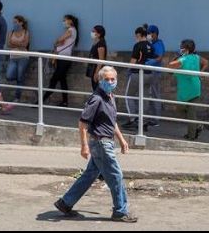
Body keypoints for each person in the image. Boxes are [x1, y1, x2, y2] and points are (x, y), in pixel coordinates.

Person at [53, 66, 137, 223]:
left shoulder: (110, 96)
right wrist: (84, 146)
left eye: (113, 79)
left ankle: (65, 203)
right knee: (116, 176)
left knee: (90, 175)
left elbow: (112, 121)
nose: (110, 82)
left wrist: (121, 138)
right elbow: (82, 123)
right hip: (101, 143)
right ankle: (120, 211)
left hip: (105, 142)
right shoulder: (97, 99)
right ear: (99, 80)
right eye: (107, 79)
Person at [167, 39, 209, 141]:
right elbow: (206, 62)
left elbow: (170, 65)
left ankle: (191, 136)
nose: (180, 48)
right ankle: (197, 126)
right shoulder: (196, 57)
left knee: (191, 113)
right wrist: (200, 73)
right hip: (190, 88)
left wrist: (176, 58)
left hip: (190, 89)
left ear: (186, 49)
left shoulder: (184, 59)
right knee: (183, 110)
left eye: (181, 47)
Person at [122, 27, 154, 130]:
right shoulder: (151, 46)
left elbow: (133, 60)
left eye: (136, 35)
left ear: (139, 35)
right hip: (149, 74)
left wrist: (128, 70)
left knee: (129, 96)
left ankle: (133, 119)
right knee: (144, 98)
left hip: (138, 74)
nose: (135, 37)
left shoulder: (138, 45)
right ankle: (143, 121)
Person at [44, 14, 79, 107]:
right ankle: (65, 102)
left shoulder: (71, 30)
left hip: (64, 59)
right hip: (62, 58)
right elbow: (61, 41)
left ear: (70, 21)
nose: (63, 22)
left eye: (65, 20)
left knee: (54, 79)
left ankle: (41, 100)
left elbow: (59, 40)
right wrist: (59, 41)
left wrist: (57, 41)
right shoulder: (72, 31)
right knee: (62, 80)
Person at [5, 15, 30, 103]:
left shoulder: (26, 32)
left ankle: (17, 97)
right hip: (13, 57)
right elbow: (8, 44)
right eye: (13, 22)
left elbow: (25, 45)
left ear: (21, 23)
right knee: (9, 76)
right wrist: (19, 43)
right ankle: (19, 79)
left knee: (20, 78)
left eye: (16, 22)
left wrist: (14, 43)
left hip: (23, 57)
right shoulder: (10, 32)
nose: (14, 24)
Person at [144, 25, 165, 126]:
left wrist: (150, 62)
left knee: (155, 94)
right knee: (151, 94)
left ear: (155, 34)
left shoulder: (159, 44)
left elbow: (160, 58)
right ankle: (152, 118)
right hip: (150, 72)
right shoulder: (152, 43)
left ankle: (156, 119)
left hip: (155, 72)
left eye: (149, 33)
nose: (148, 35)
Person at [87, 25, 107, 92]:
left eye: (93, 31)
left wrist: (97, 73)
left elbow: (101, 59)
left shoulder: (101, 43)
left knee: (97, 89)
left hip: (96, 69)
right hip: (93, 68)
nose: (92, 33)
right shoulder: (96, 42)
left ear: (99, 34)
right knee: (94, 88)